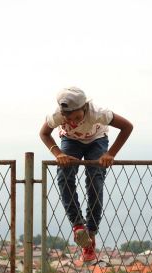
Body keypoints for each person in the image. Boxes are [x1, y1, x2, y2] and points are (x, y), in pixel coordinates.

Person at [39, 87, 133, 262]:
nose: (73, 121)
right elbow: (43, 133)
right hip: (70, 140)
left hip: (97, 139)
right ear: (62, 113)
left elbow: (127, 127)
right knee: (64, 176)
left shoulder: (98, 113)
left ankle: (91, 233)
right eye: (68, 118)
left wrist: (110, 154)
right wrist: (58, 153)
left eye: (76, 117)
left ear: (84, 108)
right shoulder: (56, 116)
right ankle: (77, 226)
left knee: (94, 180)